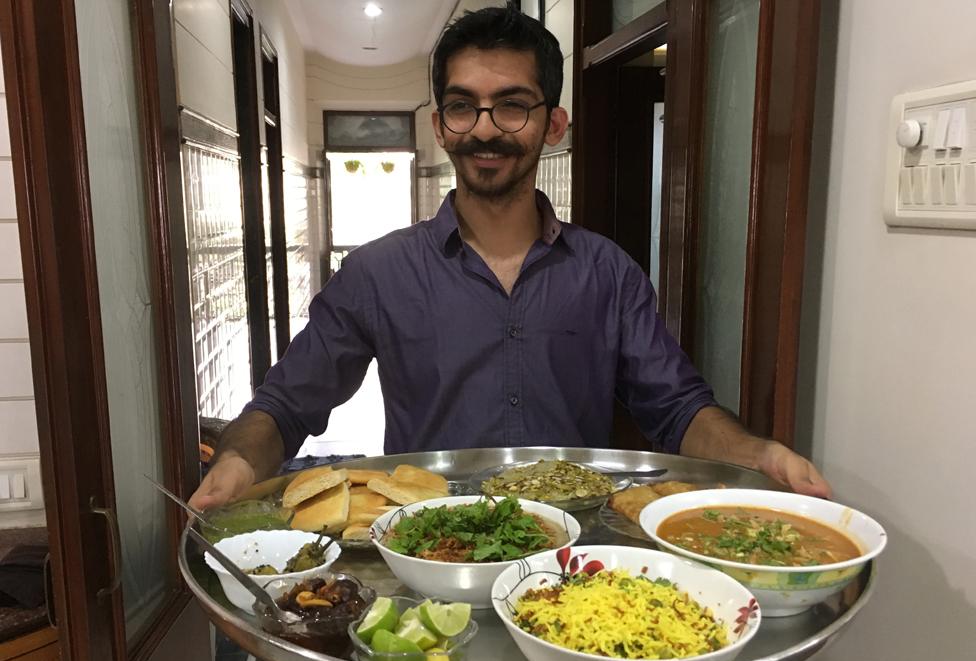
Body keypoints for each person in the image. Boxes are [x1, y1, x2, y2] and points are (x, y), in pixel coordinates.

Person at [189, 7, 830, 511]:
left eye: (514, 105)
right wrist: (239, 461)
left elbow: (677, 407)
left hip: (574, 561)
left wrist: (753, 453)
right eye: (463, 106)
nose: (486, 129)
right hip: (428, 552)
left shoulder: (607, 273)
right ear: (441, 126)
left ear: (553, 124)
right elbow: (286, 402)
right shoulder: (378, 275)